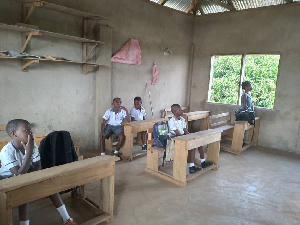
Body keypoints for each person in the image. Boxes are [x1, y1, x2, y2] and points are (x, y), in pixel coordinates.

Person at [0, 119, 77, 225]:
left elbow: (38, 166)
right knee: (25, 194)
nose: (30, 133)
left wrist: (32, 175)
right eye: (26, 130)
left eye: (30, 130)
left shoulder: (32, 144)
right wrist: (29, 153)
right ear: (14, 134)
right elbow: (17, 177)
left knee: (50, 187)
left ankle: (67, 219)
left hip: (28, 174)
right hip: (7, 180)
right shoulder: (6, 151)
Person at [168, 104, 213, 174]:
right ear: (175, 112)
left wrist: (190, 135)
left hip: (183, 136)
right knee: (192, 146)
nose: (181, 110)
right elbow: (177, 133)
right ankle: (191, 167)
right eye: (180, 110)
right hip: (175, 139)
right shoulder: (171, 121)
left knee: (198, 142)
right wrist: (187, 139)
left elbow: (185, 130)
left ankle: (203, 162)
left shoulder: (182, 119)